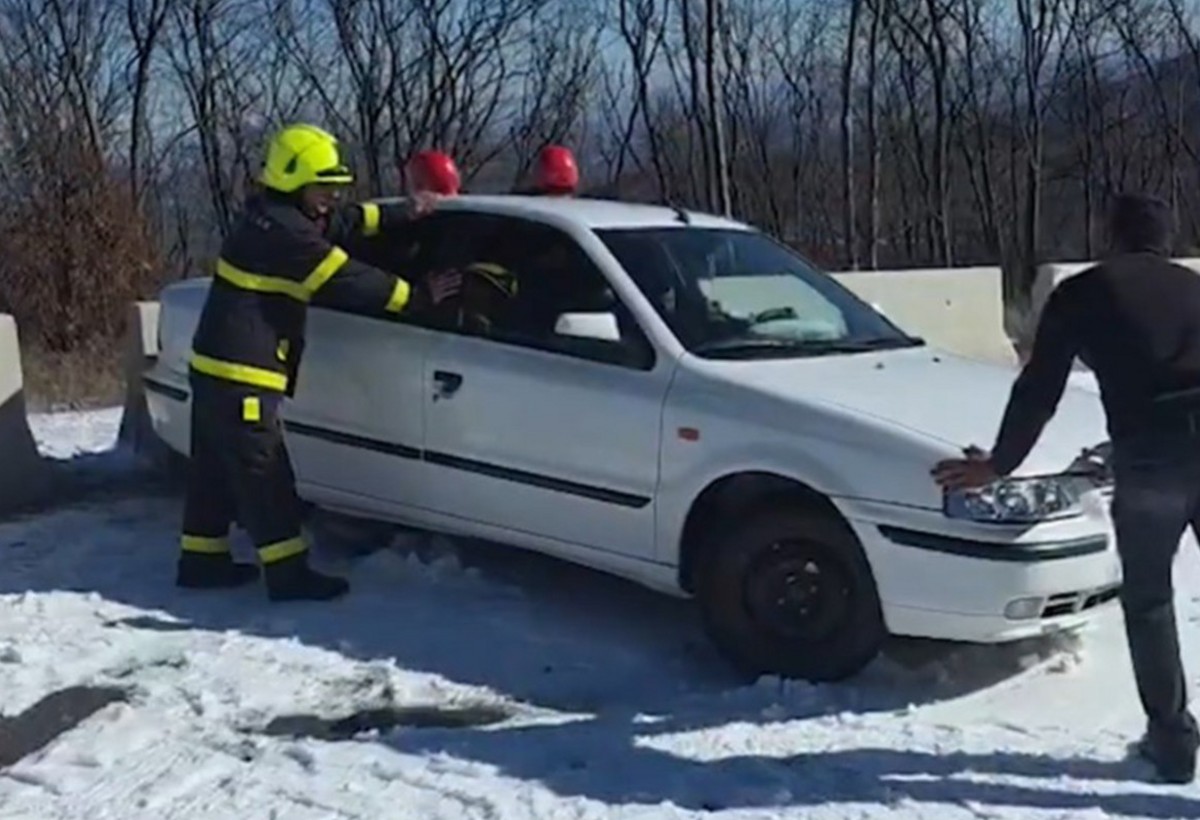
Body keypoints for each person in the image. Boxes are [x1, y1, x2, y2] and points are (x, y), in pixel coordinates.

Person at [931, 192, 1200, 784]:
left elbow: (1040, 390)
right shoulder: (1194, 288)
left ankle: (1173, 744)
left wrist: (999, 464)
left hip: (1150, 464)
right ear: (1167, 238)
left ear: (1111, 236)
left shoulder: (1083, 293)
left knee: (1151, 602)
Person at [177, 123, 462, 602]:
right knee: (265, 475)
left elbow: (344, 222)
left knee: (214, 470)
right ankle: (288, 575)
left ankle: (201, 560)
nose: (332, 196)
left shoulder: (270, 216)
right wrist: (417, 298)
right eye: (323, 187)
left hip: (215, 369)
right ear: (294, 182)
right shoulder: (290, 237)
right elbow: (348, 278)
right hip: (245, 375)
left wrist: (402, 212)